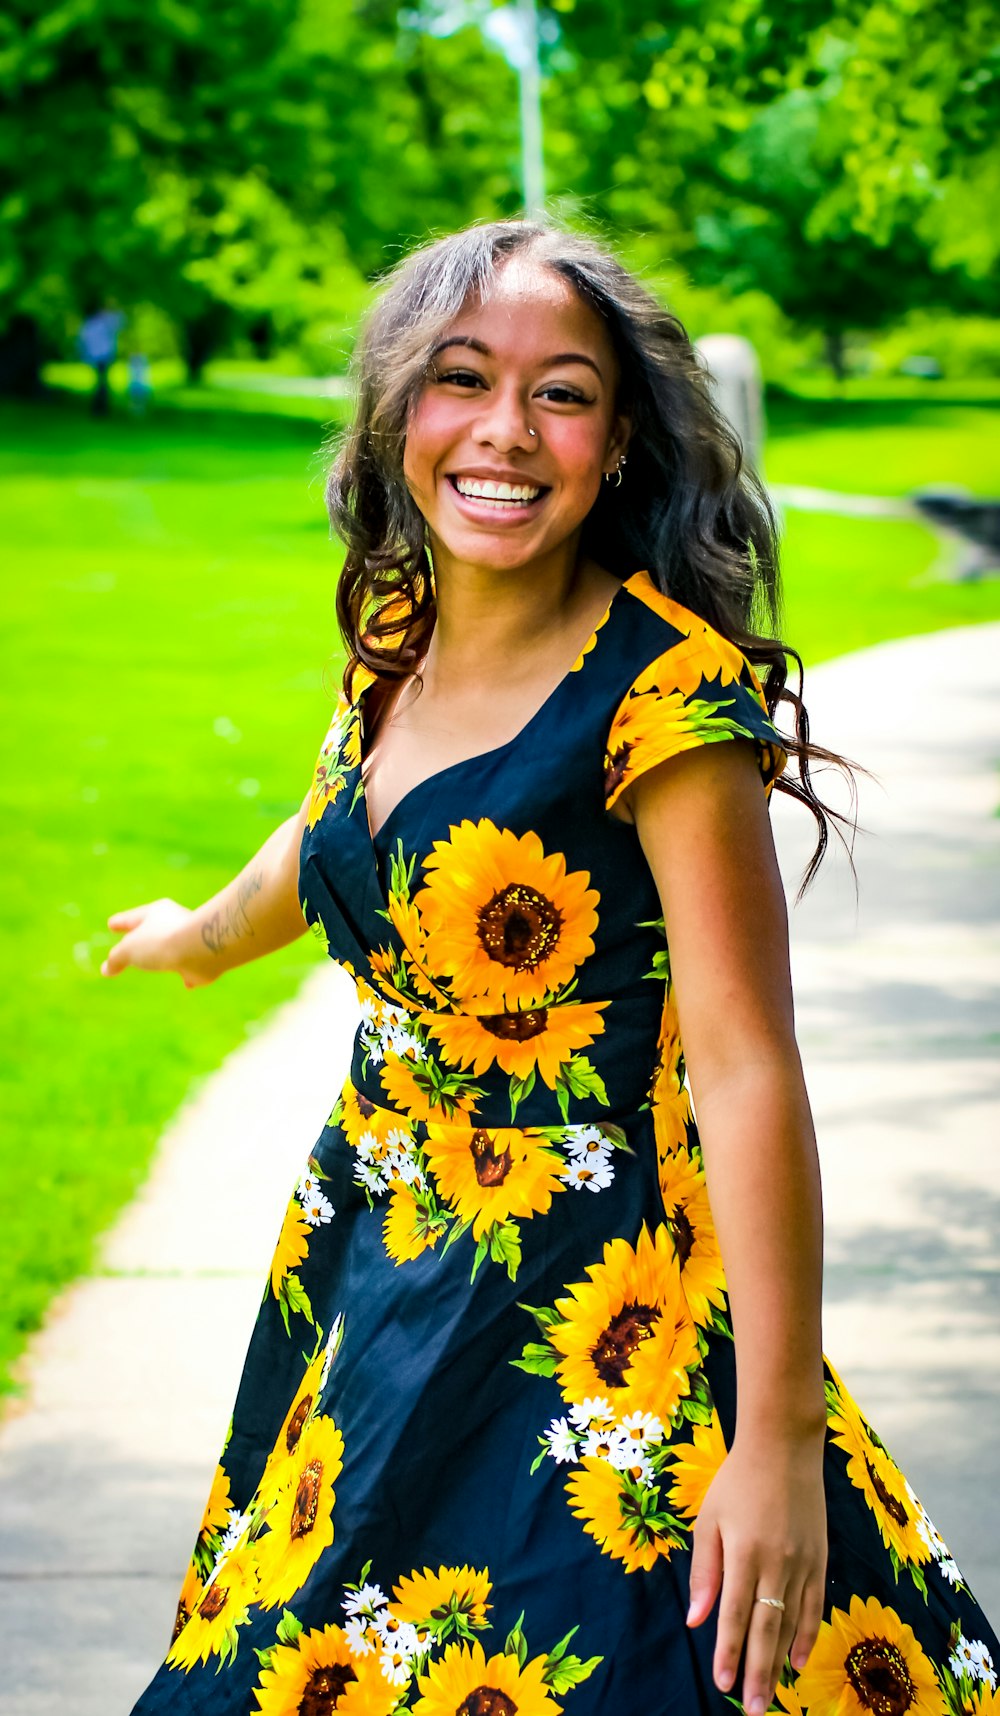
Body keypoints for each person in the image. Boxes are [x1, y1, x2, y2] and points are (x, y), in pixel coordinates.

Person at [105, 220, 999, 1716]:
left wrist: (774, 1439)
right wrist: (200, 939)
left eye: (562, 393)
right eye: (463, 379)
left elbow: (747, 1067)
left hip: (596, 1327)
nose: (505, 431)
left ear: (620, 439)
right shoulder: (398, 635)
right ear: (400, 415)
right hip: (374, 1279)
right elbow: (334, 829)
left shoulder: (666, 704)